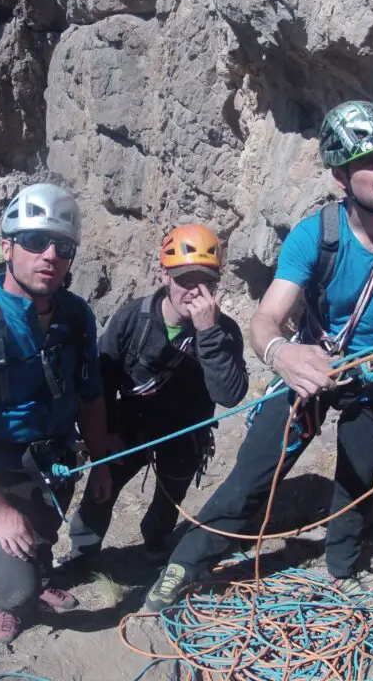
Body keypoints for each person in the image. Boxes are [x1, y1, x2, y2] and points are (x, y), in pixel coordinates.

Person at [143, 100, 373, 611]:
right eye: (369, 163)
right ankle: (183, 565)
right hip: (312, 365)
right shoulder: (317, 236)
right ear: (341, 175)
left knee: (356, 481)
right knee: (253, 476)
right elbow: (266, 320)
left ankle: (341, 570)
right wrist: (281, 354)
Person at [0, 183, 113, 644]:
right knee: (18, 584)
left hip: (55, 454)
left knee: (46, 528)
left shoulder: (76, 317)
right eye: (35, 242)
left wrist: (100, 461)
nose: (49, 255)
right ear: (7, 247)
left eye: (63, 247)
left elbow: (90, 393)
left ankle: (42, 573)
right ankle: (10, 599)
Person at [57, 224, 249, 570]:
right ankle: (82, 553)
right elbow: (102, 380)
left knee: (171, 494)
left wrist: (207, 334)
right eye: (186, 279)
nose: (195, 291)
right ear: (165, 275)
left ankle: (155, 542)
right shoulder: (134, 318)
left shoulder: (225, 332)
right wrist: (105, 436)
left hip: (185, 433)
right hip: (130, 424)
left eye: (206, 281)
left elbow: (230, 394)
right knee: (103, 489)